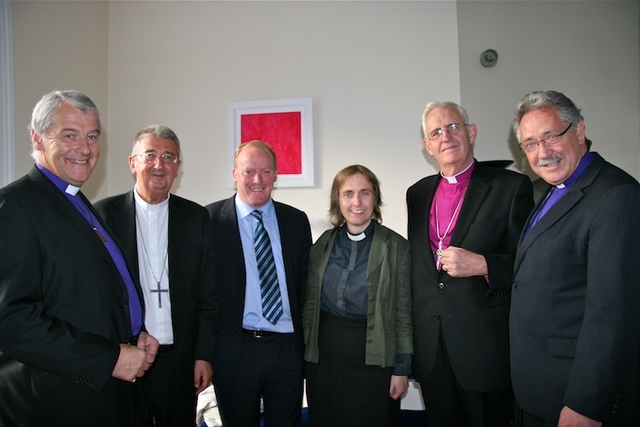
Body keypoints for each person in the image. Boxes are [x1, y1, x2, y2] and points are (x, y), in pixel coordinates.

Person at [0, 90, 158, 426]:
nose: (84, 149)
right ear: (37, 138)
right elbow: (11, 321)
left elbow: (94, 292)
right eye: (69, 135)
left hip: (108, 393)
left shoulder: (78, 201)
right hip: (60, 402)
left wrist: (135, 333)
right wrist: (109, 358)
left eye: (92, 136)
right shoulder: (14, 207)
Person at [510, 90, 640, 427]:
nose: (543, 152)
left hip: (575, 398)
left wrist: (586, 404)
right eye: (530, 144)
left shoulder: (615, 195)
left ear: (578, 130)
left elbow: (612, 313)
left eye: (551, 136)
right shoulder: (551, 189)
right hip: (540, 388)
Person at [407, 101, 534, 426]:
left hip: (484, 350)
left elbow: (531, 264)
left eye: (453, 127)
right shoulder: (417, 194)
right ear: (428, 145)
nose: (446, 136)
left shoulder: (510, 187)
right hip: (433, 349)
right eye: (436, 132)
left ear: (471, 132)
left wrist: (484, 265)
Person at [94, 125, 218, 426]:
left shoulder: (196, 218)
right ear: (133, 163)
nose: (159, 164)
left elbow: (209, 295)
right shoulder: (104, 216)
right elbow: (99, 295)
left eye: (168, 157)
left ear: (178, 167)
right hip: (126, 356)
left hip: (179, 360)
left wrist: (203, 355)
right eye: (150, 155)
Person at [206, 140, 312, 427]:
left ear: (276, 175)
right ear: (234, 174)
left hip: (287, 349)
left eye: (265, 172)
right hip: (235, 349)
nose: (257, 180)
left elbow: (306, 286)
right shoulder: (210, 220)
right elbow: (201, 294)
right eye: (249, 171)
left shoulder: (296, 221)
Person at [302, 165, 412, 427]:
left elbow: (403, 312)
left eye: (365, 193)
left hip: (374, 359)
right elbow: (309, 306)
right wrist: (302, 357)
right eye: (348, 194)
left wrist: (401, 369)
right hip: (324, 360)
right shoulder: (323, 244)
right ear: (337, 200)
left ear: (375, 198)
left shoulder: (396, 247)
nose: (357, 202)